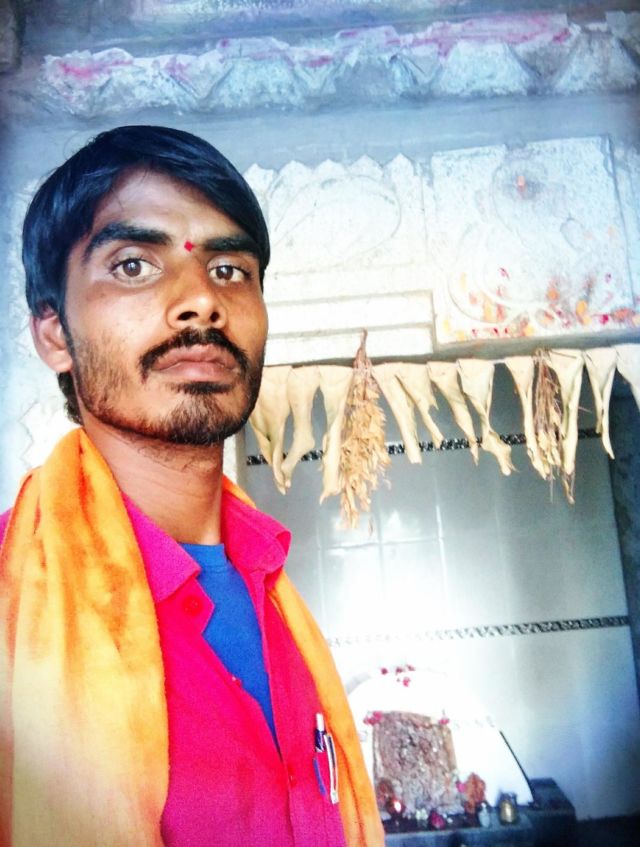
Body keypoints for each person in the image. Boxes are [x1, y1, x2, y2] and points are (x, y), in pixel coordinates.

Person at [0, 125, 383, 847]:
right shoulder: (11, 603)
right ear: (53, 333)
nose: (202, 300)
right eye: (134, 265)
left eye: (230, 269)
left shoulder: (274, 587)